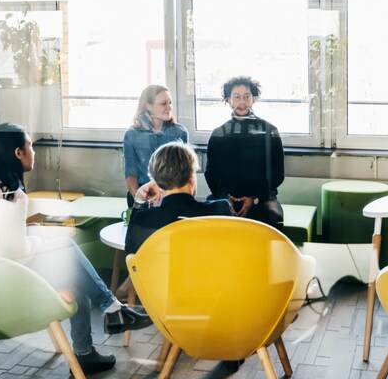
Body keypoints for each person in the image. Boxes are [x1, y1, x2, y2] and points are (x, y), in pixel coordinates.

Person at [0, 123, 151, 374]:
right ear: (18, 153)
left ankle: (104, 322)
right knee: (70, 262)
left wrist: (39, 237)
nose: (34, 152)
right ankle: (107, 316)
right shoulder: (12, 194)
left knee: (69, 263)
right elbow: (16, 250)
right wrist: (42, 242)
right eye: (30, 146)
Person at [126, 142, 233, 255]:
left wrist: (139, 202)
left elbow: (132, 254)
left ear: (157, 182)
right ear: (191, 176)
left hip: (162, 273)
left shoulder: (143, 219)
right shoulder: (220, 210)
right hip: (207, 272)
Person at [204, 76, 286, 226]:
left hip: (262, 198)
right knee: (212, 217)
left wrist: (253, 198)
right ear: (228, 100)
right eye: (236, 97)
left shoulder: (270, 131)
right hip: (226, 198)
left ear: (253, 99)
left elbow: (277, 174)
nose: (242, 102)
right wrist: (226, 197)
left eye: (246, 96)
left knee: (271, 217)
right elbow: (211, 174)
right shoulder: (218, 133)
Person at [122, 85, 188, 206]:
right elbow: (131, 174)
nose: (169, 108)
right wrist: (139, 200)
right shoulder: (131, 135)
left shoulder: (180, 132)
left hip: (171, 197)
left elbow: (186, 174)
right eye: (163, 104)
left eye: (170, 103)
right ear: (148, 106)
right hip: (142, 196)